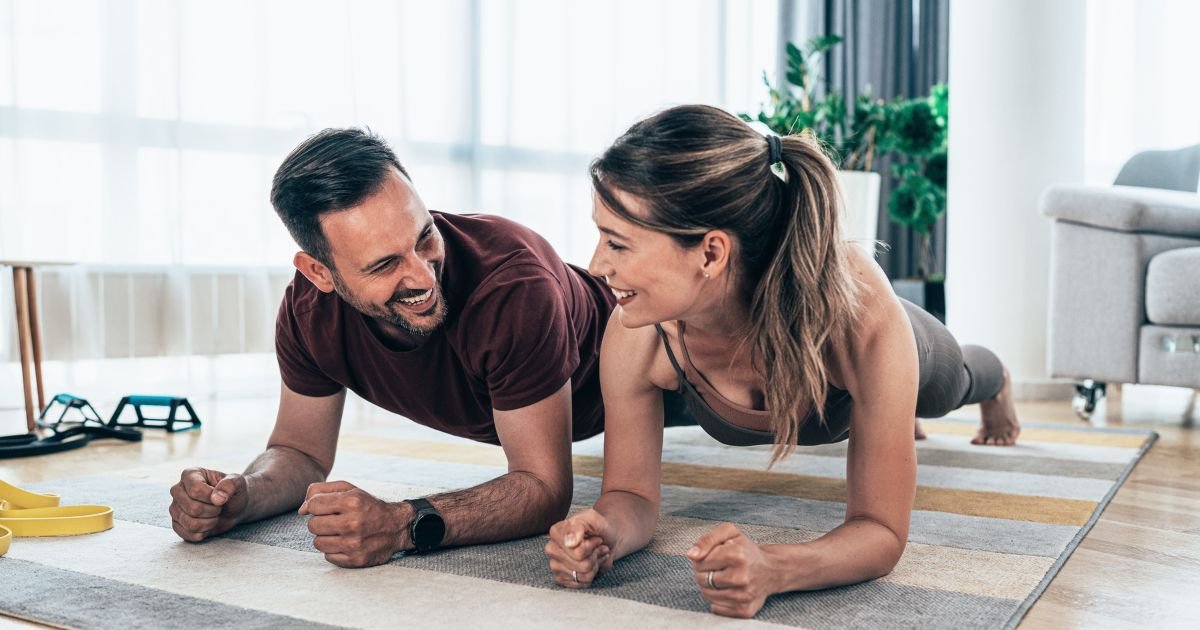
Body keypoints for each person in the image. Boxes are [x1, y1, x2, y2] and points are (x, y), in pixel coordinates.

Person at [543, 105, 1021, 618]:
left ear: (710, 253)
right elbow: (630, 492)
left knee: (952, 387)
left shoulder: (863, 320)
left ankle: (994, 381)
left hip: (901, 344)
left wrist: (775, 567)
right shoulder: (638, 336)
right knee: (893, 415)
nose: (596, 265)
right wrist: (606, 530)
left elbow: (881, 531)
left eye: (617, 243)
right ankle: (889, 417)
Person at [168, 128, 616, 568]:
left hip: (660, 349)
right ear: (318, 273)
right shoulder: (308, 313)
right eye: (384, 264)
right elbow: (301, 452)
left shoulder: (513, 287)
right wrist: (242, 496)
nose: (423, 277)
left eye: (425, 236)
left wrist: (402, 523)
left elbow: (543, 487)